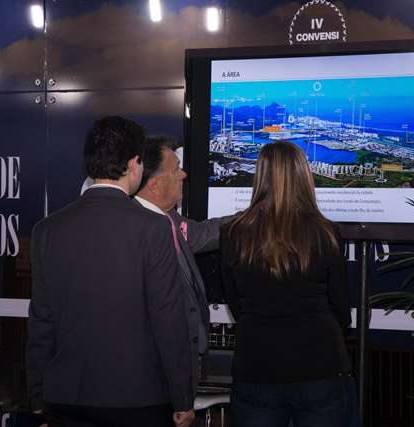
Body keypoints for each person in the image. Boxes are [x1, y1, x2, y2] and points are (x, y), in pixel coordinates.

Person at [26, 116, 195, 427]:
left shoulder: (46, 230)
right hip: (136, 400)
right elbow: (168, 319)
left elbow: (42, 320)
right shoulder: (154, 228)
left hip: (65, 398)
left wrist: (37, 395)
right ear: (133, 164)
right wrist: (183, 398)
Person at [219, 140, 354, 427]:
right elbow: (341, 308)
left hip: (256, 364)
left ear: (260, 176)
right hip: (320, 364)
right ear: (303, 176)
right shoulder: (326, 232)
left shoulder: (232, 233)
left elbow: (235, 303)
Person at [134, 134, 229, 392]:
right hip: (153, 375)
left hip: (180, 369)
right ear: (154, 184)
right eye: (176, 169)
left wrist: (259, 216)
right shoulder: (134, 230)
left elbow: (206, 233)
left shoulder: (171, 220)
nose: (184, 174)